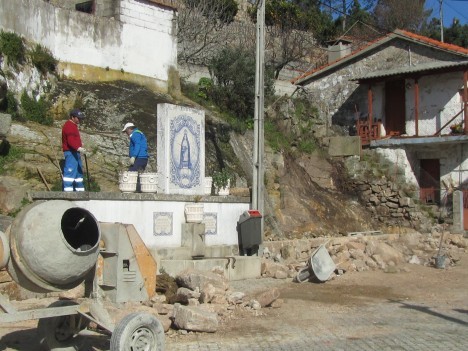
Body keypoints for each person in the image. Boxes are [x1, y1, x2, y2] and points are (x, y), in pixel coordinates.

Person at [62, 109, 86, 192]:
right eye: (78, 118)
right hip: (71, 152)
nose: (80, 120)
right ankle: (68, 192)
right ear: (72, 117)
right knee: (70, 171)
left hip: (75, 152)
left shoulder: (73, 126)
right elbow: (70, 140)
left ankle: (80, 191)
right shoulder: (69, 126)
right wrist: (78, 147)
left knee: (78, 173)